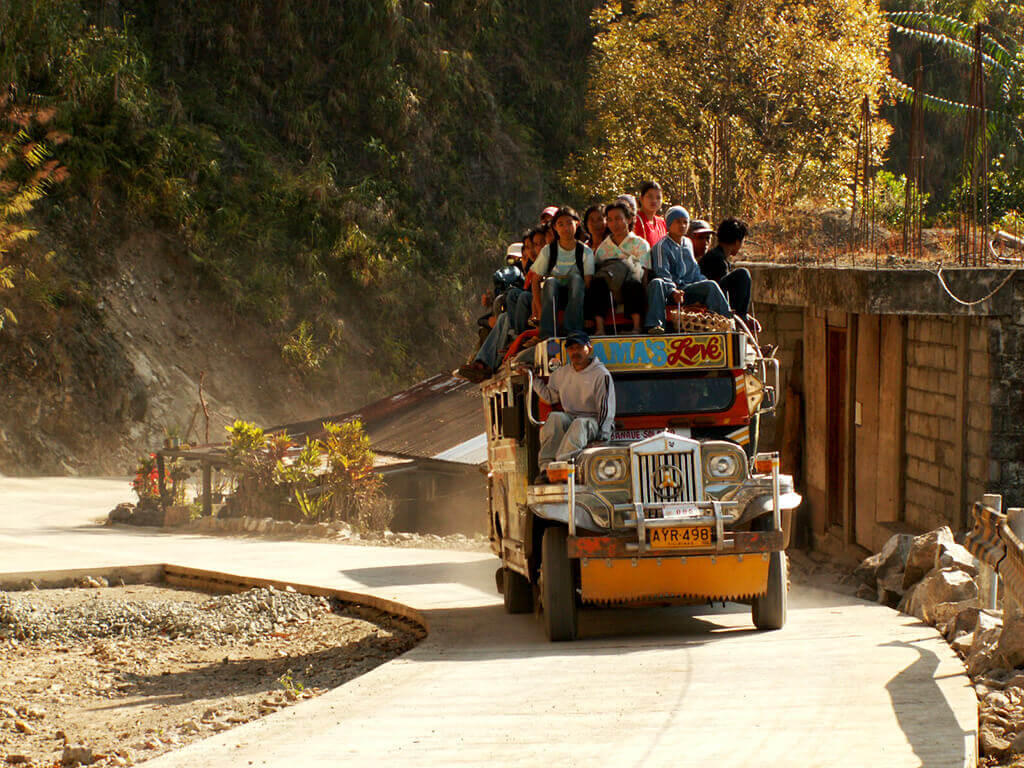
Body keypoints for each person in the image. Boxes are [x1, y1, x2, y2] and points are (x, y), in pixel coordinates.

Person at [527, 331, 615, 483]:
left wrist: (604, 434)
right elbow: (549, 397)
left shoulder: (601, 374)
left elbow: (606, 407)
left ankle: (562, 467)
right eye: (571, 348)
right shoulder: (561, 373)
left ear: (589, 348)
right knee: (555, 418)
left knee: (579, 424)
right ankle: (546, 468)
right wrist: (533, 379)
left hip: (594, 421)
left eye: (579, 347)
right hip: (572, 417)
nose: (575, 352)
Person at [645, 206, 731, 333]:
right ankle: (656, 326)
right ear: (669, 224)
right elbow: (662, 273)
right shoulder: (661, 246)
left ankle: (726, 322)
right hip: (669, 292)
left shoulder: (688, 243)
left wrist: (702, 283)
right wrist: (673, 291)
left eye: (685, 222)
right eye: (678, 221)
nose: (682, 225)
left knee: (711, 285)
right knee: (657, 282)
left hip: (686, 290)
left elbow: (694, 271)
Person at [586, 200, 650, 335]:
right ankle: (600, 328)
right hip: (610, 291)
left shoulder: (640, 244)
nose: (614, 224)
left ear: (629, 219)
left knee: (634, 277)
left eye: (618, 219)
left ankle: (636, 327)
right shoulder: (603, 248)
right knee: (598, 282)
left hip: (632, 289)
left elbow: (644, 275)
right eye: (610, 220)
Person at [531, 207, 594, 339]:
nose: (566, 228)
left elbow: (588, 283)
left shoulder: (585, 251)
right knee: (550, 282)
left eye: (569, 223)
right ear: (555, 227)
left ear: (576, 224)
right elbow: (535, 280)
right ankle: (547, 334)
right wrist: (540, 310)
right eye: (561, 224)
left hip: (575, 295)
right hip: (553, 295)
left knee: (577, 279)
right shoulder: (548, 250)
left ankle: (572, 331)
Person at [700, 217, 754, 326]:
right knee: (743, 274)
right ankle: (740, 317)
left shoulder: (717, 257)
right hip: (710, 305)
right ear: (737, 241)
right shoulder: (717, 259)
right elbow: (720, 292)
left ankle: (742, 316)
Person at [633, 181, 667, 247]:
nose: (654, 200)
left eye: (658, 198)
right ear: (641, 199)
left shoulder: (661, 222)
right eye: (650, 196)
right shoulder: (634, 221)